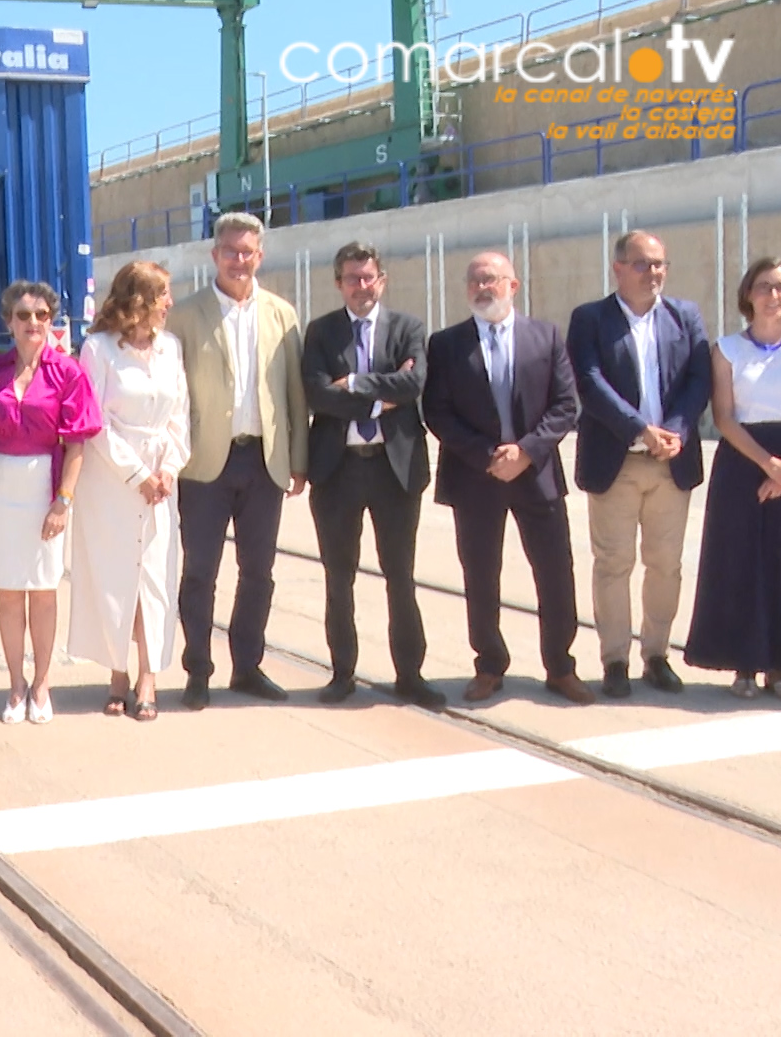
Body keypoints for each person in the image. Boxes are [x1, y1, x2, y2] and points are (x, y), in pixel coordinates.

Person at [423, 252, 591, 704]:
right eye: (475, 281)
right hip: (476, 476)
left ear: (512, 286)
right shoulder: (446, 344)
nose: (484, 288)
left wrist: (527, 451)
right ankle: (489, 664)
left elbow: (565, 406)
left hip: (535, 474)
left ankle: (560, 665)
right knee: (481, 574)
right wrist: (486, 455)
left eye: (492, 279)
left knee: (555, 572)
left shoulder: (546, 336)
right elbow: (436, 410)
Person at [167, 211, 308, 709]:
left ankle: (247, 667)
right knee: (200, 571)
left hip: (264, 461)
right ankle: (198, 670)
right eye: (230, 250)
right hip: (204, 464)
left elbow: (294, 393)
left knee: (258, 572)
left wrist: (299, 460)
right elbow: (170, 393)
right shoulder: (184, 315)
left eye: (248, 251)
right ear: (215, 255)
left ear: (260, 256)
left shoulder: (281, 314)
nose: (239, 259)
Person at [300, 242, 445, 709]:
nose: (361, 287)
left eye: (368, 278)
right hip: (337, 470)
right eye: (351, 278)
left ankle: (410, 674)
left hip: (393, 468)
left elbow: (415, 384)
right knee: (338, 576)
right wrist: (387, 391)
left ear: (381, 280)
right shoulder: (321, 333)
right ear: (338, 283)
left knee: (400, 574)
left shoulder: (408, 328)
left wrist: (358, 385)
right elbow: (319, 396)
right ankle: (342, 672)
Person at [568, 231, 712, 699]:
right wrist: (639, 428)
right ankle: (614, 659)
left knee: (666, 564)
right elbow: (588, 382)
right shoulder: (590, 318)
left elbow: (698, 378)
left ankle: (656, 654)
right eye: (642, 264)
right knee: (614, 563)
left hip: (671, 462)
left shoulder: (684, 316)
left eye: (660, 264)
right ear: (618, 269)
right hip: (617, 460)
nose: (653, 273)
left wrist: (674, 429)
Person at [0, 281, 102, 723]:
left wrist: (63, 500)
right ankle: (15, 685)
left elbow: (77, 442)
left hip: (45, 483)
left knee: (43, 590)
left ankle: (41, 684)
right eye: (24, 316)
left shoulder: (68, 372)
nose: (34, 323)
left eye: (42, 315)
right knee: (8, 593)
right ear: (8, 322)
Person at [67, 262, 190, 720]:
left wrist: (170, 469)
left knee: (155, 578)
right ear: (139, 300)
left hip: (162, 479)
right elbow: (92, 421)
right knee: (116, 576)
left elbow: (181, 416)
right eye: (162, 295)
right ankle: (117, 674)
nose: (169, 304)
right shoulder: (98, 349)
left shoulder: (171, 348)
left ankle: (149, 676)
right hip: (114, 478)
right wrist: (138, 474)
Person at [684, 258, 781, 701]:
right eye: (763, 287)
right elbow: (724, 418)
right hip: (742, 463)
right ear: (747, 295)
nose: (773, 296)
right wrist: (767, 465)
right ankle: (743, 665)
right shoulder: (727, 349)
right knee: (740, 563)